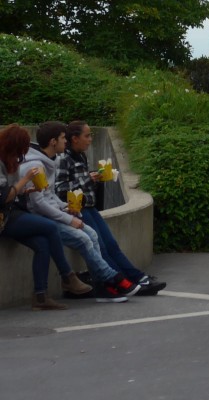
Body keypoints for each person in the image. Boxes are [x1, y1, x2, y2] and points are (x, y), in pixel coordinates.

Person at [20, 121, 136, 302]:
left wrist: (66, 208)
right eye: (62, 138)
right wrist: (68, 218)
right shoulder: (36, 166)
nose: (65, 142)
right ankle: (112, 278)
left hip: (52, 214)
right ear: (53, 142)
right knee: (83, 238)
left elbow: (50, 196)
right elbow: (38, 204)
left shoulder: (49, 162)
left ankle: (102, 286)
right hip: (42, 219)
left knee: (91, 234)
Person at [56, 121, 165, 295]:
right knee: (101, 247)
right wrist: (88, 179)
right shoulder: (63, 158)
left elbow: (79, 180)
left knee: (111, 244)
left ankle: (137, 277)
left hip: (90, 207)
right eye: (87, 135)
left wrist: (96, 177)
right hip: (78, 209)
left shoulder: (80, 155)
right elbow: (60, 188)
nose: (90, 139)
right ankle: (121, 282)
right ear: (75, 138)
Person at [0, 124, 93, 309]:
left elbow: (13, 194)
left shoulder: (9, 160)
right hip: (5, 218)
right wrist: (25, 180)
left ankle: (40, 297)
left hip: (10, 213)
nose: (24, 154)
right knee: (49, 227)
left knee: (42, 245)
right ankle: (67, 276)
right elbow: (4, 197)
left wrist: (28, 189)